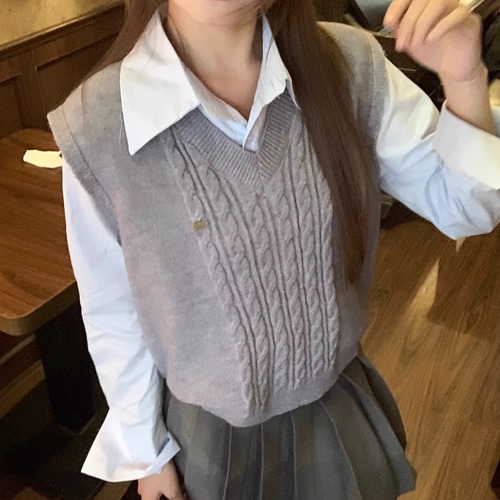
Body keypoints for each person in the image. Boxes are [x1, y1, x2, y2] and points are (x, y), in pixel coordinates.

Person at [48, 0, 500, 498]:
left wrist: (464, 77)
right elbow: (113, 311)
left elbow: (466, 206)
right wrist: (145, 451)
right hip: (208, 440)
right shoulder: (100, 123)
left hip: (337, 408)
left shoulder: (348, 65)